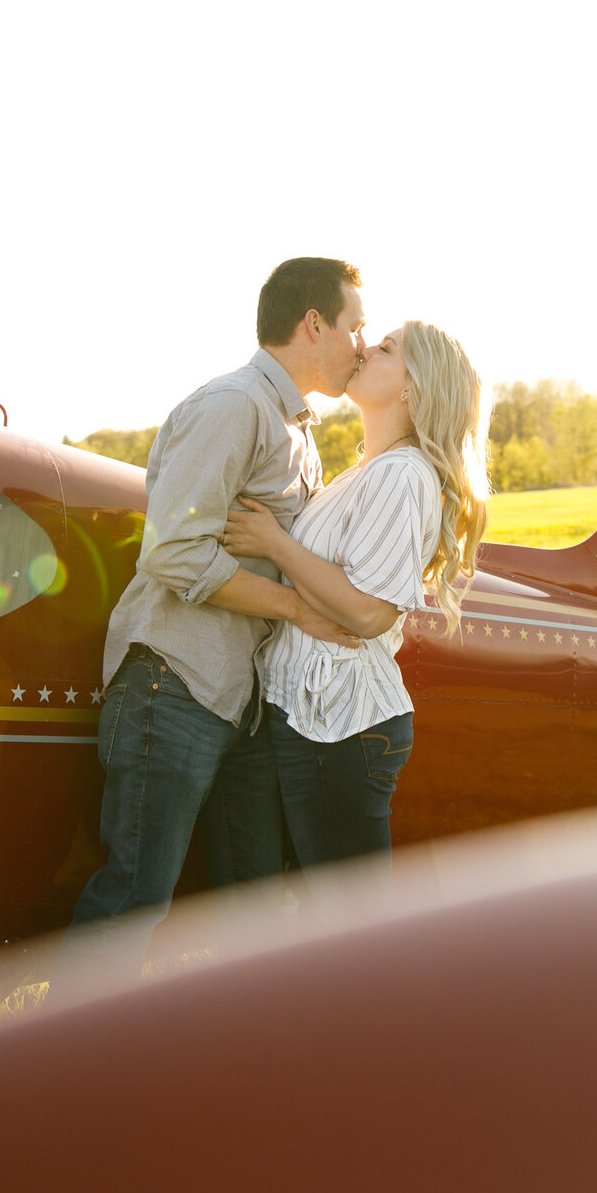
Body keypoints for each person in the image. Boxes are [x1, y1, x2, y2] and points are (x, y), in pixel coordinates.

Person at [56, 257, 366, 983]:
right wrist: (295, 606)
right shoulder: (234, 407)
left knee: (253, 910)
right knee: (134, 902)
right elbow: (175, 553)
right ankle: (58, 1082)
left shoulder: (296, 428)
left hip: (243, 702)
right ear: (313, 324)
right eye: (356, 325)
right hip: (177, 688)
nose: (362, 342)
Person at [221, 320, 489, 869]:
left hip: (341, 728)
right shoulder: (364, 472)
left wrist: (273, 542)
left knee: (343, 924)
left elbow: (369, 613)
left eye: (386, 348)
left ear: (414, 386)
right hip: (310, 715)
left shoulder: (402, 474)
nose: (365, 348)